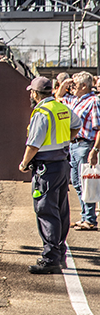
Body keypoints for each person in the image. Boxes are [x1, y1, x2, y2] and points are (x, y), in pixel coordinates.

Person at [18, 76, 79, 274]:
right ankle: (59, 254)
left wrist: (24, 163)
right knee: (61, 210)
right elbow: (76, 125)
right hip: (62, 164)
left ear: (35, 94)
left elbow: (33, 144)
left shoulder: (41, 112)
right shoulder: (61, 108)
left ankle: (50, 258)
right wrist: (65, 141)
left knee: (46, 210)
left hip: (46, 168)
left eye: (31, 92)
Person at [68, 72, 99, 231]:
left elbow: (99, 128)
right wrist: (68, 81)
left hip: (85, 145)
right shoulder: (76, 100)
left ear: (84, 86)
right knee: (77, 182)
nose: (72, 87)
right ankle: (85, 216)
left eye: (75, 84)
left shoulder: (93, 102)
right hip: (74, 145)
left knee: (86, 183)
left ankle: (89, 219)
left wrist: (95, 150)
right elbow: (59, 97)